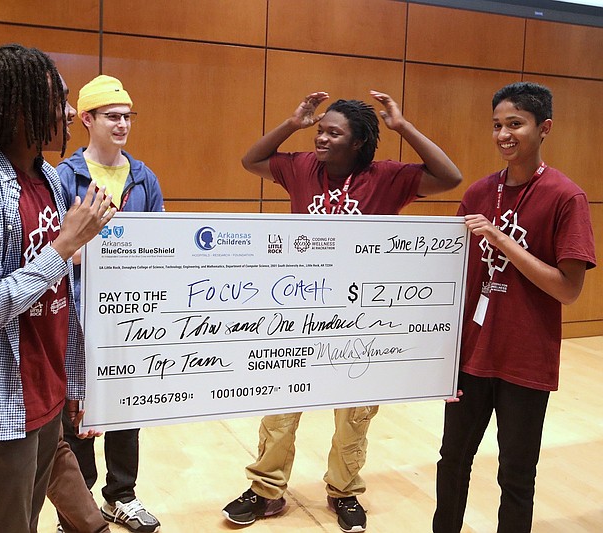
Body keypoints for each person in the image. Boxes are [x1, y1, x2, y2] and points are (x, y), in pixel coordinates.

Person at [222, 90, 463, 532]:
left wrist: (403, 127)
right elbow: (250, 160)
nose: (322, 138)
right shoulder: (299, 167)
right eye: (320, 130)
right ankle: (265, 490)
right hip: (297, 307)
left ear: (358, 143)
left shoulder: (386, 177)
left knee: (354, 413)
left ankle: (344, 490)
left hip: (362, 317)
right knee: (280, 404)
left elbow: (450, 178)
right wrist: (293, 123)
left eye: (334, 133)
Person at [0, 43, 116, 533]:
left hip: (47, 385)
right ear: (16, 108)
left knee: (27, 520)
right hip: (0, 395)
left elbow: (53, 291)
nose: (71, 112)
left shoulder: (47, 177)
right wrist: (63, 246)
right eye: (59, 100)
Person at [433, 82, 595, 532]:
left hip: (525, 357)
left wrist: (500, 238)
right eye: (497, 125)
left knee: (517, 475)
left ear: (544, 128)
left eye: (515, 124)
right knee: (452, 462)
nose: (503, 134)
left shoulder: (566, 197)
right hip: (472, 353)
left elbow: (567, 290)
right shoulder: (480, 192)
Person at [55, 74, 163, 533]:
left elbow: (162, 244)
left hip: (130, 315)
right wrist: (96, 251)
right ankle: (79, 508)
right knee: (77, 410)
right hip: (76, 314)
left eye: (127, 117)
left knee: (124, 406)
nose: (122, 125)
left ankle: (122, 495)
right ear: (87, 119)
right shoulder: (62, 176)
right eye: (112, 116)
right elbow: (55, 245)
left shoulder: (144, 178)